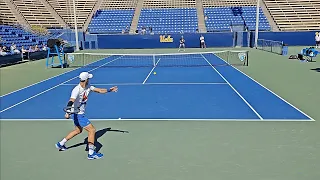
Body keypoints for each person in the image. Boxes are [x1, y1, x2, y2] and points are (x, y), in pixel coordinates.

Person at [55, 72, 118, 160]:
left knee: (78, 130)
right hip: (78, 114)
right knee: (92, 130)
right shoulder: (76, 90)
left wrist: (109, 90)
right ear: (86, 80)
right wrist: (68, 111)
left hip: (76, 113)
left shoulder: (88, 87)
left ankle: (60, 144)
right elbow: (71, 100)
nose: (89, 80)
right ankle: (91, 153)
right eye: (89, 78)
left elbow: (99, 90)